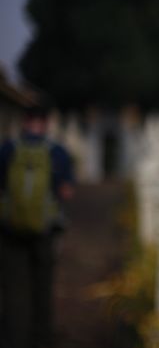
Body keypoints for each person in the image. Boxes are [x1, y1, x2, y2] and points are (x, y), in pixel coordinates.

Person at [0, 103, 74, 348]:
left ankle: (13, 338)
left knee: (13, 287)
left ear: (24, 121)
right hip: (45, 230)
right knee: (42, 285)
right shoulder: (58, 152)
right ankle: (40, 338)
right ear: (46, 122)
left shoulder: (8, 149)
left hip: (10, 229)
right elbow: (66, 192)